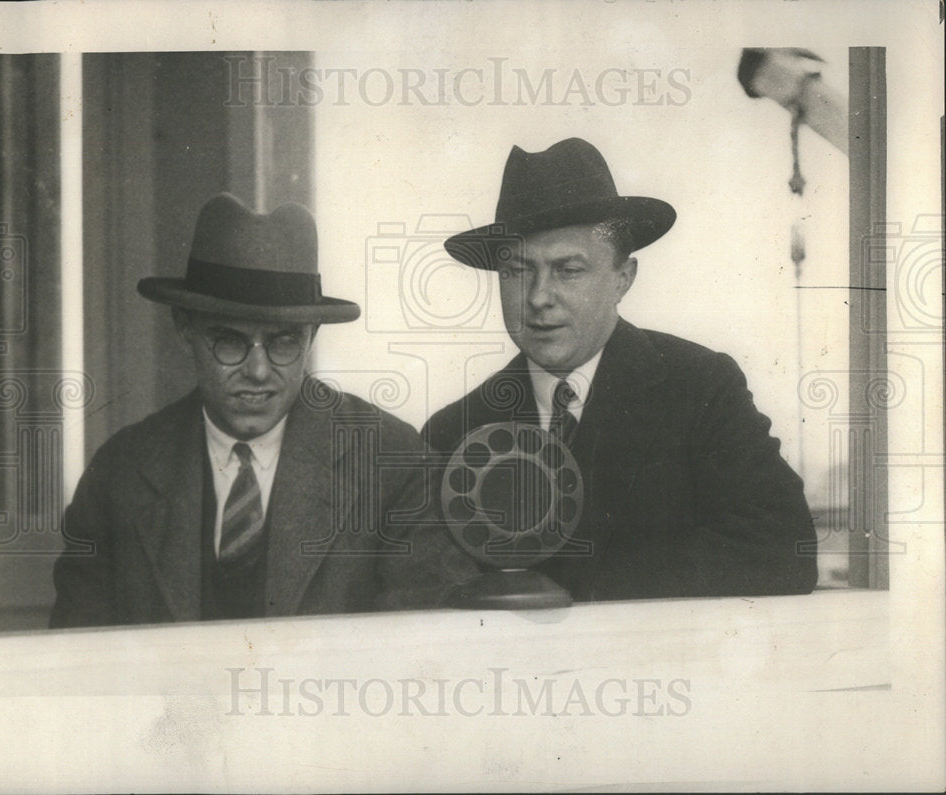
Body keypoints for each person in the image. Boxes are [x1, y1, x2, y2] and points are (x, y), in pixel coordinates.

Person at [51, 194, 473, 628]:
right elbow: (79, 666)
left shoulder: (396, 466)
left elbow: (423, 660)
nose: (257, 371)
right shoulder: (119, 474)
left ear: (311, 338)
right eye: (230, 340)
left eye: (284, 341)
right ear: (185, 330)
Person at [424, 138, 818, 600]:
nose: (537, 297)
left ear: (622, 279)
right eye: (517, 272)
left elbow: (782, 551)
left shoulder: (701, 387)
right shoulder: (453, 431)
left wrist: (579, 586)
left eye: (568, 270)